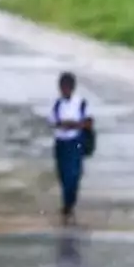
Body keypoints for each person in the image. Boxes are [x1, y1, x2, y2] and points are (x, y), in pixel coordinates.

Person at [49, 72, 93, 225]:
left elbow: (89, 122)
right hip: (61, 143)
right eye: (62, 87)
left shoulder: (81, 103)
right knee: (63, 174)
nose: (64, 90)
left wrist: (74, 125)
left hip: (76, 142)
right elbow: (54, 122)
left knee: (73, 175)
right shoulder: (57, 104)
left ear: (72, 88)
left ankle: (69, 204)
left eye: (67, 87)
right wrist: (64, 125)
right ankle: (67, 201)